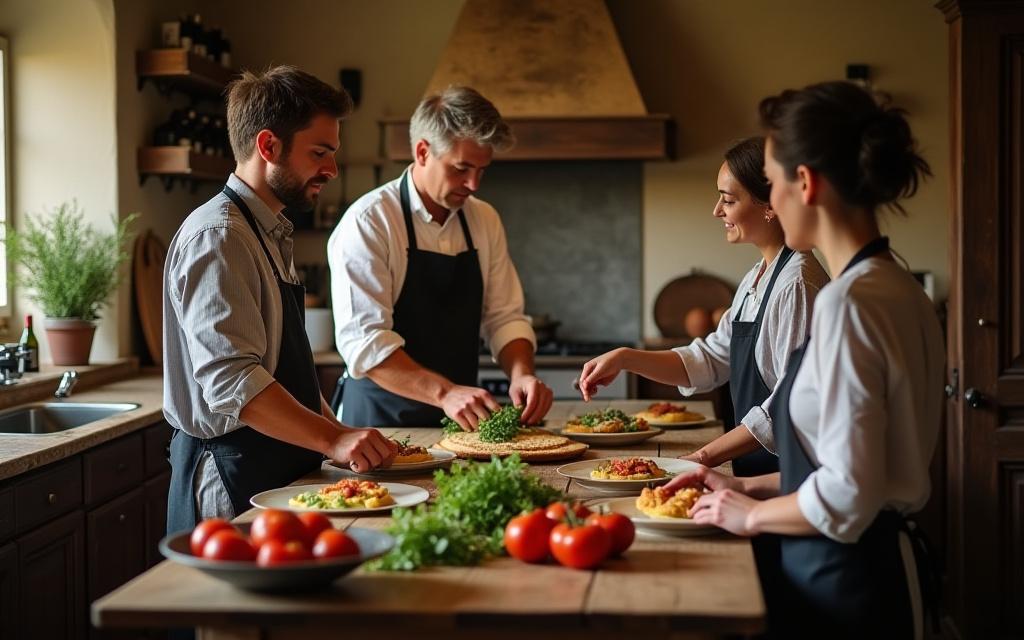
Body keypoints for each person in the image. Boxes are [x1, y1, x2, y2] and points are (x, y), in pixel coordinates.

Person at [667, 81, 943, 638]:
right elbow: (855, 467)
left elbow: (848, 494)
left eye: (769, 183)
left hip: (847, 579)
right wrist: (747, 487)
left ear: (806, 183)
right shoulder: (896, 284)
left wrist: (750, 515)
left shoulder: (849, 303)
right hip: (859, 564)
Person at [164, 66, 397, 534]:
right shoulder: (220, 236)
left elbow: (283, 371)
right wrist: (334, 438)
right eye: (319, 153)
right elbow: (233, 380)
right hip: (232, 476)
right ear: (268, 146)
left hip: (275, 466)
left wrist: (342, 435)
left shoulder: (267, 231)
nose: (330, 169)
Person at [578, 136, 829, 478]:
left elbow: (788, 404)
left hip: (789, 478)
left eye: (728, 200)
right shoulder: (758, 276)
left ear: (769, 205)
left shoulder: (797, 285)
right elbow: (710, 360)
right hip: (757, 470)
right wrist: (625, 358)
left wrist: (704, 456)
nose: (717, 211)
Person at [329, 86, 552, 430]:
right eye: (462, 168)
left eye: (482, 170)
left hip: (460, 425)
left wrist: (522, 374)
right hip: (378, 429)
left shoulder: (483, 218)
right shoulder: (369, 222)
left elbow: (504, 317)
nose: (474, 183)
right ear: (422, 152)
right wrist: (445, 393)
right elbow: (365, 343)